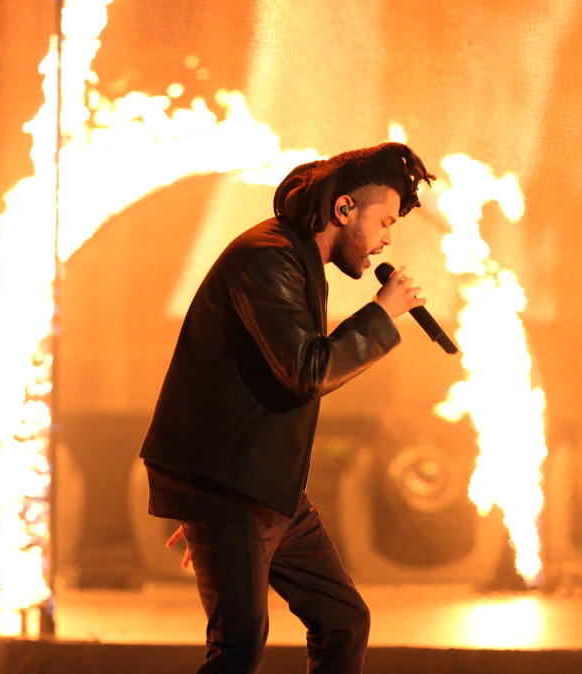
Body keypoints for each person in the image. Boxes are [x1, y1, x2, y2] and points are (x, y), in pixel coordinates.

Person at [139, 142, 435, 673]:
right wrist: (382, 314)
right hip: (230, 487)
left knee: (344, 620)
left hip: (258, 489)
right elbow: (307, 370)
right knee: (238, 649)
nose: (388, 239)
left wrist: (211, 516)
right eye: (385, 220)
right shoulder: (267, 257)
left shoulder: (297, 259)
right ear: (345, 210)